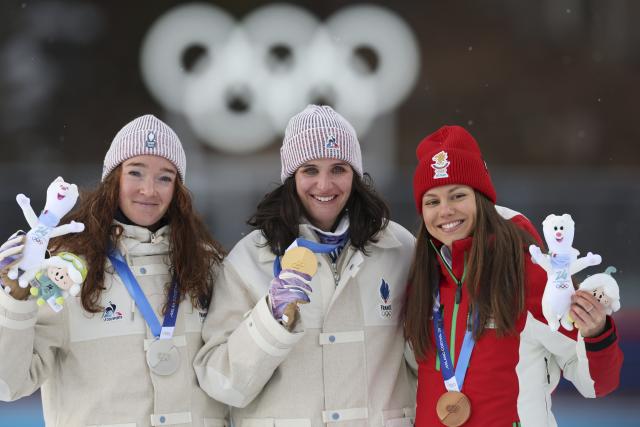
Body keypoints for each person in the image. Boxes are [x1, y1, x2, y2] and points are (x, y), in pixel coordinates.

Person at [194, 105, 417, 426]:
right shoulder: (249, 259)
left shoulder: (399, 248)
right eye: (310, 170)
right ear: (291, 177)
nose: (325, 185)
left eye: (338, 169)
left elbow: (427, 363)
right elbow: (222, 383)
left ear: (355, 175)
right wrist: (271, 320)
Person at [0, 114, 229, 427]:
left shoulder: (208, 266)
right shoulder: (65, 269)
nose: (149, 190)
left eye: (165, 177)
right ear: (113, 179)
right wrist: (15, 300)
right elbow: (9, 384)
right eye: (136, 173)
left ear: (178, 190)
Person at [403, 125, 623, 426]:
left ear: (481, 199)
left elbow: (596, 384)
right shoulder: (420, 280)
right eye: (432, 201)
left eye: (457, 195)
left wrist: (596, 331)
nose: (445, 211)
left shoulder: (525, 272)